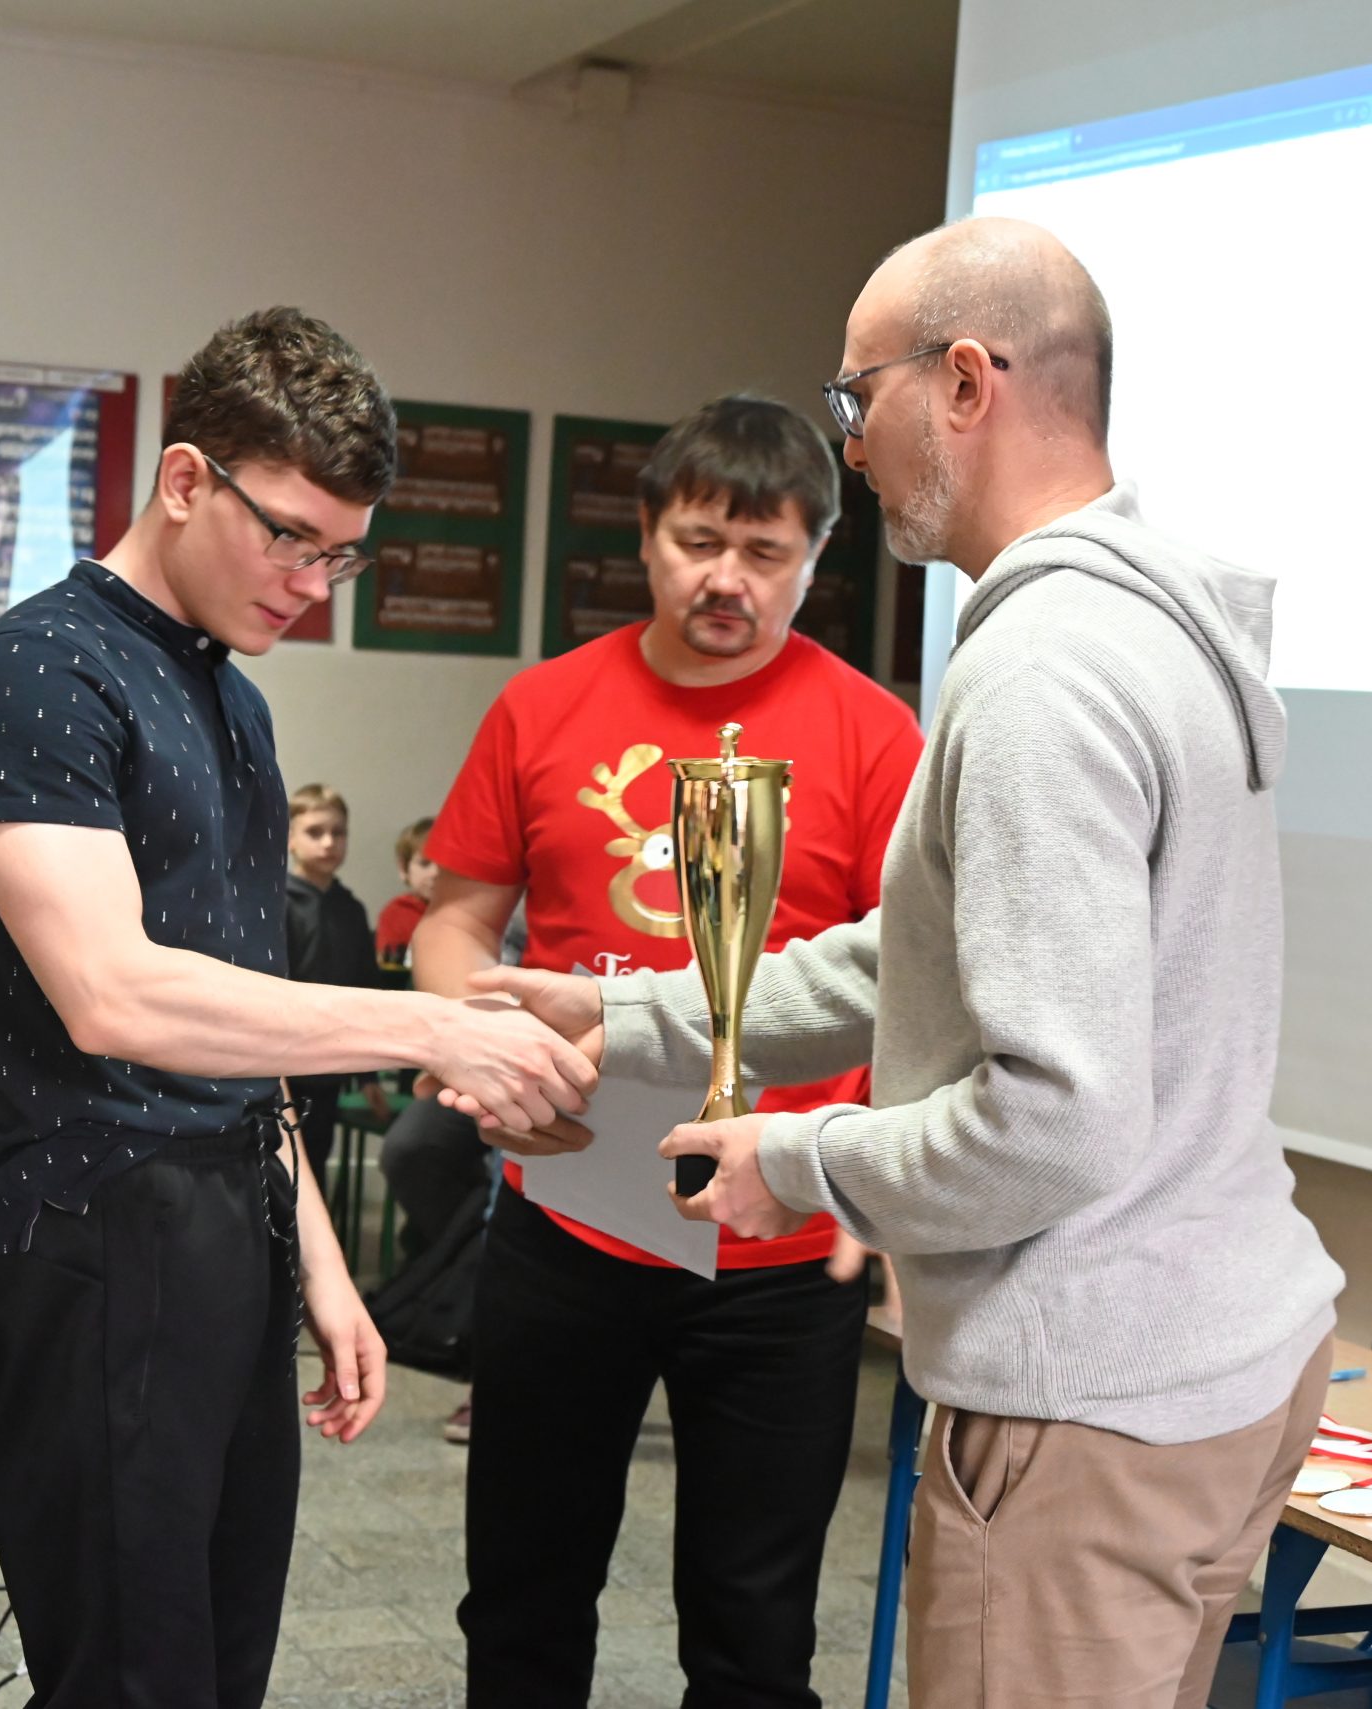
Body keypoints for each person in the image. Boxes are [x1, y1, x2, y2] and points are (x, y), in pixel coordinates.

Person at [468, 218, 1347, 1709]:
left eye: (856, 395)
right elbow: (917, 957)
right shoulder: (1138, 621)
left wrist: (800, 1160)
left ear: (964, 382)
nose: (852, 443)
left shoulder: (1040, 672)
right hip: (1214, 1355)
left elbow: (1056, 1117)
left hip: (1090, 1391)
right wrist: (626, 1011)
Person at [0, 306, 594, 1709]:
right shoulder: (42, 670)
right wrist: (431, 1024)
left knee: (221, 1663)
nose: (312, 584)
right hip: (93, 1224)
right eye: (290, 537)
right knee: (131, 1675)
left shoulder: (234, 702)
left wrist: (323, 1267)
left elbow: (245, 1013)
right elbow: (113, 992)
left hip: (230, 1221)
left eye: (340, 554)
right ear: (185, 479)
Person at [411, 393, 922, 1707]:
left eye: (764, 553)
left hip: (783, 1240)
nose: (726, 579)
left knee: (755, 1633)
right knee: (522, 1599)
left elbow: (924, 982)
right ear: (645, 533)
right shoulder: (543, 706)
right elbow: (454, 920)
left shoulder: (876, 735)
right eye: (699, 542)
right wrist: (476, 1044)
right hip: (568, 1213)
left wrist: (884, 1178)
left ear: (816, 556)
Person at [284, 782, 381, 1183]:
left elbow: (366, 987)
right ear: (290, 838)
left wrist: (369, 1074)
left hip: (328, 1061)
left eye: (338, 833)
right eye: (314, 832)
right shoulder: (276, 901)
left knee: (316, 1157)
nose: (328, 842)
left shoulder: (351, 910)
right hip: (279, 1060)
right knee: (278, 1164)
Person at [375, 815, 438, 969]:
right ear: (404, 868)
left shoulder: (465, 913)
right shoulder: (395, 915)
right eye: (424, 863)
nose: (435, 873)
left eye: (444, 864)